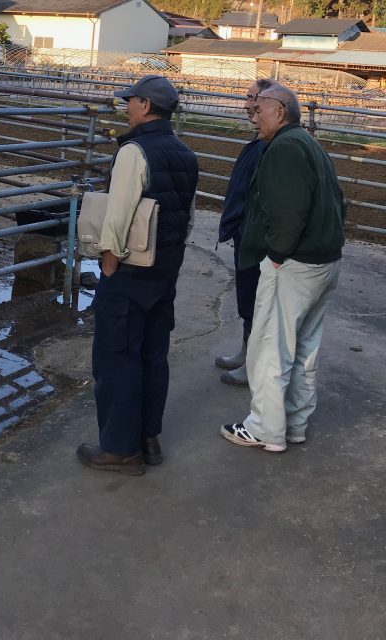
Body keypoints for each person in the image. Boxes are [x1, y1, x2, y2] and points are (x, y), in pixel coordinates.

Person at [77, 75, 198, 476]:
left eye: (130, 102)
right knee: (152, 356)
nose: (125, 107)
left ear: (145, 106)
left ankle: (120, 450)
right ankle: (148, 439)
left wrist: (109, 263)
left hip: (130, 272)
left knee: (116, 359)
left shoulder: (134, 151)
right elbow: (186, 217)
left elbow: (119, 213)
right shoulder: (184, 152)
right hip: (164, 273)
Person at [220, 84, 346, 453]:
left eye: (259, 109)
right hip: (324, 261)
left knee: (271, 348)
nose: (253, 115)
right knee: (305, 348)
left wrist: (276, 254)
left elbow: (288, 212)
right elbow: (338, 201)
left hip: (296, 264)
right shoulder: (310, 145)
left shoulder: (284, 148)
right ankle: (294, 424)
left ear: (280, 110)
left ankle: (265, 429)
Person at [214, 78, 277, 386]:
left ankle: (254, 364)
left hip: (257, 238)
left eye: (253, 98)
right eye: (247, 97)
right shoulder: (258, 141)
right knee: (247, 296)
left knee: (256, 300)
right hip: (245, 232)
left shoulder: (271, 145)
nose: (247, 104)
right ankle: (245, 351)